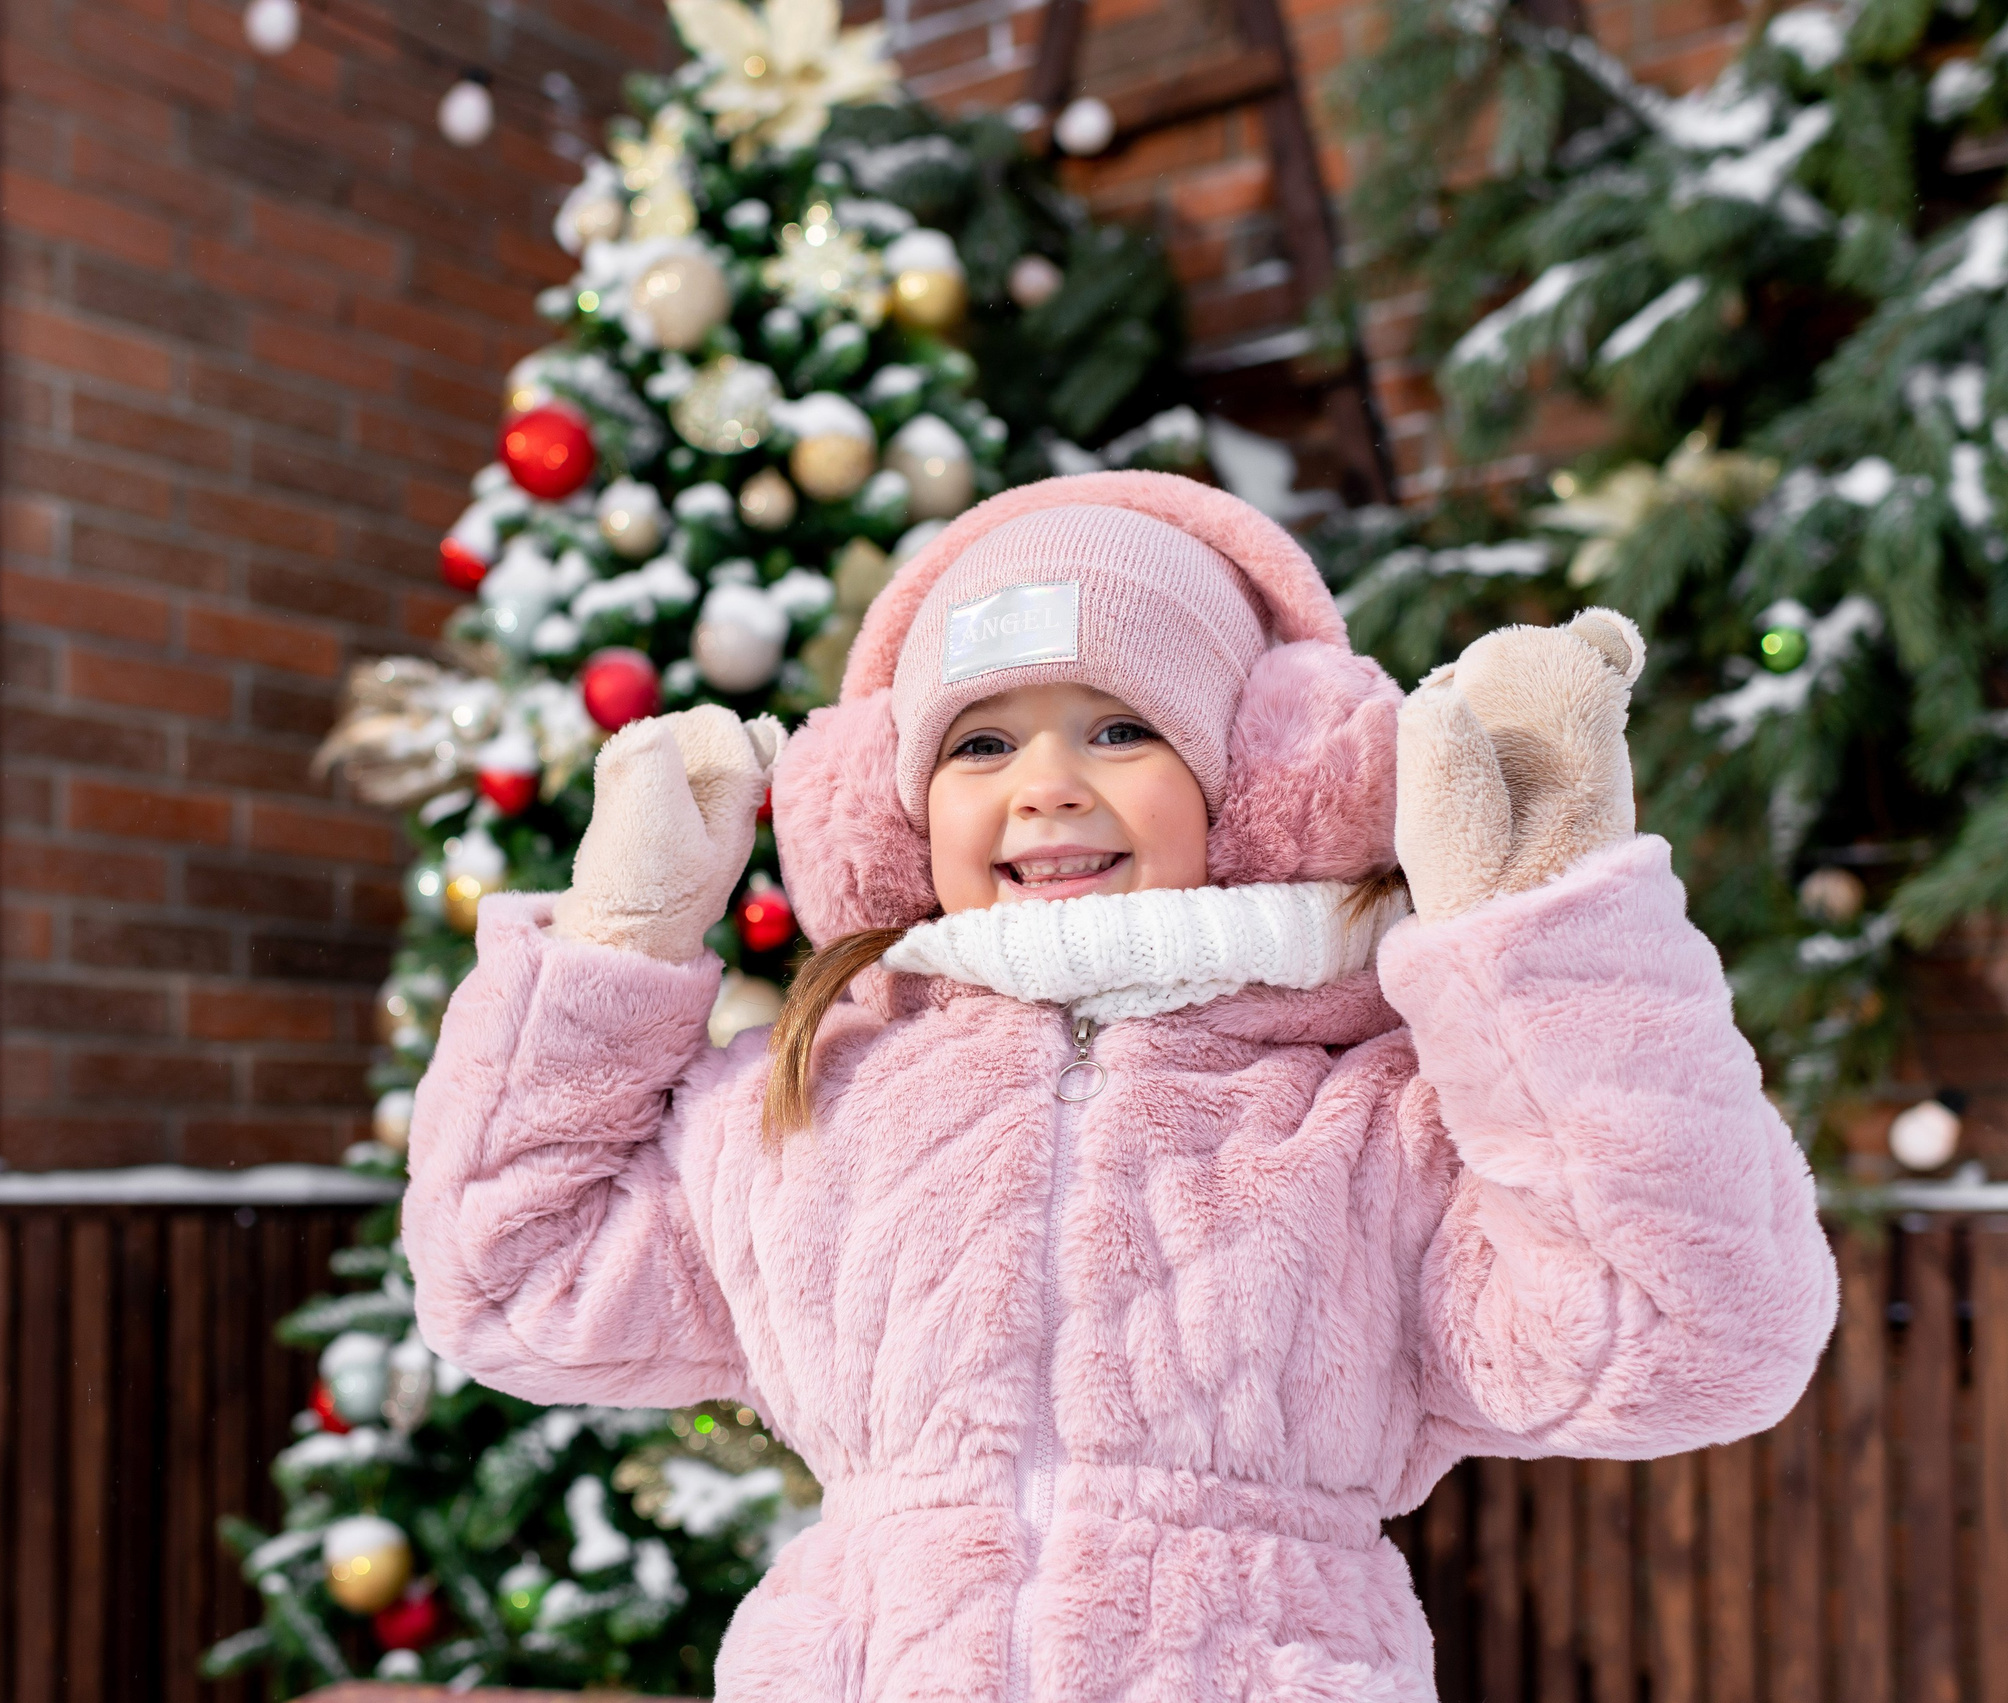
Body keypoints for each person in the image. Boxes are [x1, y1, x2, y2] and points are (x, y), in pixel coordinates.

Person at [402, 471, 1837, 1701]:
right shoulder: (817, 1097)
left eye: (1119, 728)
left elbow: (1698, 1332)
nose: (1044, 785)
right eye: (980, 742)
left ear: (1260, 775)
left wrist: (1543, 930)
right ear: (895, 805)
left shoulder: (1370, 1113)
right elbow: (511, 1280)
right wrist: (616, 945)